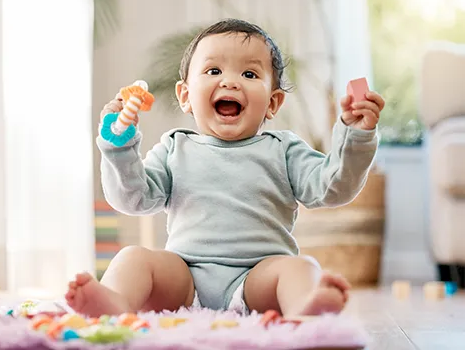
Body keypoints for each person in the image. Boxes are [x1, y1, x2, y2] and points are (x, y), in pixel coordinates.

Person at [66, 18, 385, 318]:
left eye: (249, 75)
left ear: (272, 103)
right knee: (133, 257)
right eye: (213, 70)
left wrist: (355, 135)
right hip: (184, 276)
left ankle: (305, 307)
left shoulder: (283, 150)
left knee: (301, 268)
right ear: (186, 96)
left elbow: (333, 187)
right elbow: (133, 198)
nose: (230, 82)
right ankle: (115, 302)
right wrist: (120, 148)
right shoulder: (175, 147)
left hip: (258, 276)